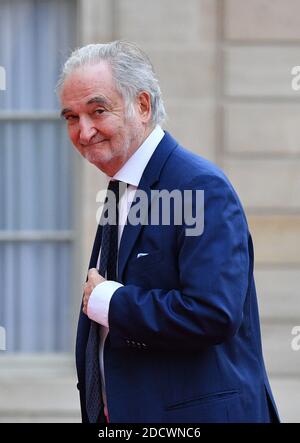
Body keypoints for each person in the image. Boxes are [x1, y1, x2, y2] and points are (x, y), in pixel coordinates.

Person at [58, 40, 279, 423]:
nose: (84, 131)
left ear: (142, 106)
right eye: (71, 118)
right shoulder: (121, 186)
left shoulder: (200, 186)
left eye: (97, 111)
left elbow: (213, 312)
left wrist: (111, 301)